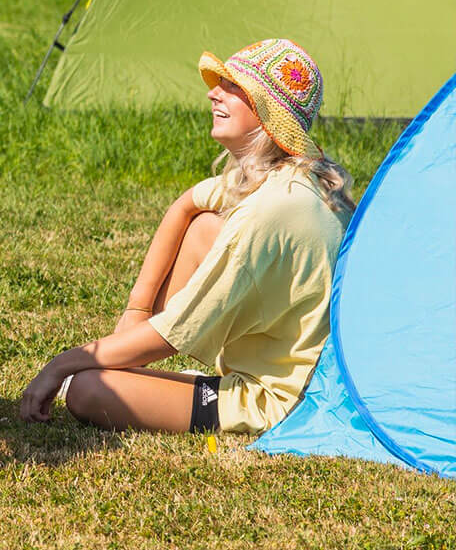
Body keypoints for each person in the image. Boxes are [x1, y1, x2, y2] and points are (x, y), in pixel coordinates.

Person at [19, 38, 354, 436]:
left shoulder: (269, 213)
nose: (213, 92)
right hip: (299, 375)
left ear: (268, 114)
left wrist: (64, 362)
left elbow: (175, 331)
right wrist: (136, 313)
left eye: (234, 88)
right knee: (204, 228)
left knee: (87, 389)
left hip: (279, 401)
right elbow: (186, 205)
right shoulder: (291, 179)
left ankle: (141, 377)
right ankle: (133, 368)